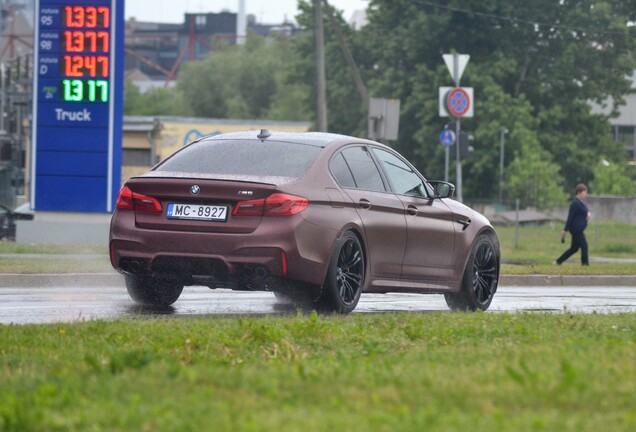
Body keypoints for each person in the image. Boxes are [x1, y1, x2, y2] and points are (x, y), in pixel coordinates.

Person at [555, 183, 592, 266]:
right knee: (584, 246)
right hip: (576, 229)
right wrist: (565, 230)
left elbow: (584, 212)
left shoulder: (581, 203)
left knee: (574, 248)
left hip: (579, 228)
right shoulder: (575, 203)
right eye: (584, 192)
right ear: (579, 192)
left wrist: (588, 214)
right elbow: (570, 217)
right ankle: (585, 264)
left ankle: (558, 261)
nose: (586, 194)